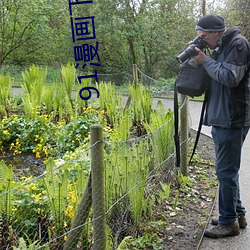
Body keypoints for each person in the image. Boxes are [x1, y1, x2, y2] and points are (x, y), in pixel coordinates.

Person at [192, 15, 250, 238]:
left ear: (216, 32)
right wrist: (202, 59)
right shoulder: (221, 46)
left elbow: (229, 77)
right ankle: (237, 214)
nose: (203, 41)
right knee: (227, 171)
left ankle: (228, 223)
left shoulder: (238, 44)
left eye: (204, 37)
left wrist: (205, 61)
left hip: (232, 118)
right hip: (222, 117)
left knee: (225, 171)